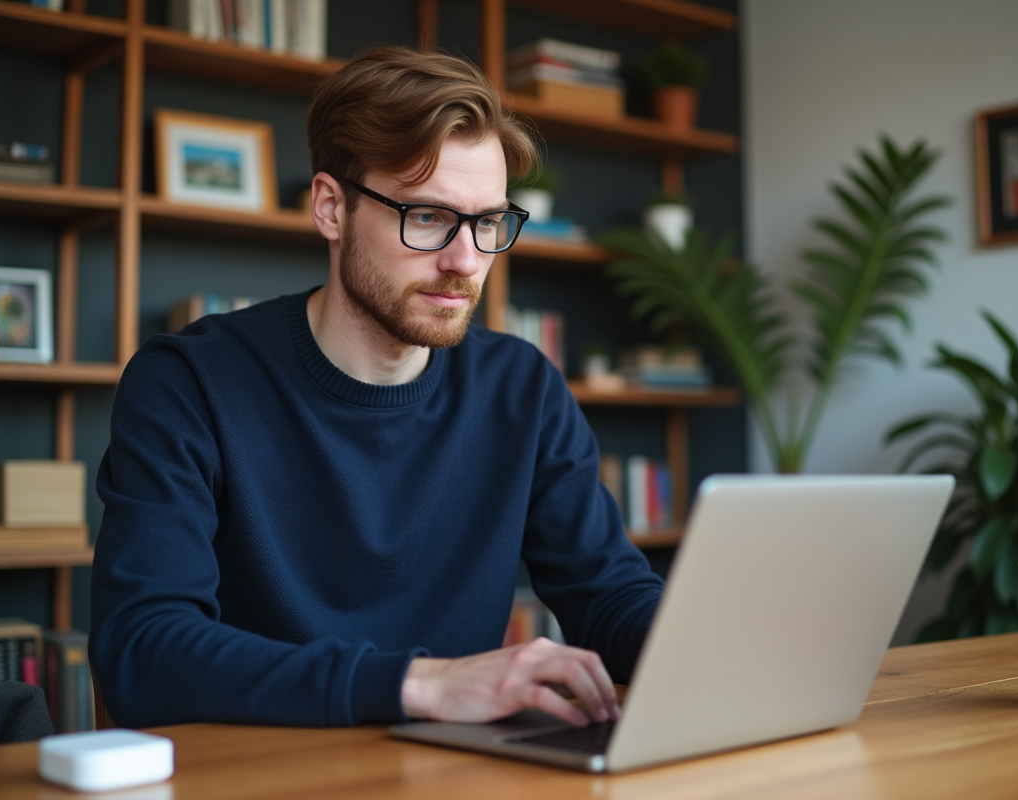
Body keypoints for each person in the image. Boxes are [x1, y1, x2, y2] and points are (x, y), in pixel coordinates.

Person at [89, 46, 664, 730]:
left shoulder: (522, 389)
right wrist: (422, 686)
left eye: (487, 223)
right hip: (265, 772)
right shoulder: (189, 384)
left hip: (457, 776)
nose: (466, 261)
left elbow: (610, 597)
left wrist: (720, 645)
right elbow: (142, 652)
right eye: (426, 217)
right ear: (331, 208)